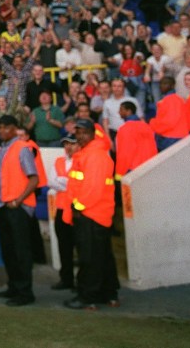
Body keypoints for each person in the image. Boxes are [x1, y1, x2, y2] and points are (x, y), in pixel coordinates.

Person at [63, 118, 119, 310]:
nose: (79, 136)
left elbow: (91, 188)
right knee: (102, 256)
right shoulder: (91, 153)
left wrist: (77, 207)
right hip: (97, 213)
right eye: (77, 132)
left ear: (92, 134)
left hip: (91, 214)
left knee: (89, 258)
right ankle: (108, 293)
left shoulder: (94, 155)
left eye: (83, 132)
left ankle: (88, 296)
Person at [0, 115, 44, 306]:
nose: (1, 131)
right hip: (5, 206)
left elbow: (34, 178)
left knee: (21, 251)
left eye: (5, 127)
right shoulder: (4, 149)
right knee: (9, 250)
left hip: (17, 207)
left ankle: (25, 292)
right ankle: (14, 286)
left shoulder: (22, 148)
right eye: (0, 128)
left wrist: (18, 200)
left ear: (14, 128)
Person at [48, 135, 79, 292]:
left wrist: (63, 181)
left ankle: (81, 281)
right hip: (61, 208)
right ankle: (66, 279)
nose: (68, 147)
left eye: (72, 144)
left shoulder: (81, 161)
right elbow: (51, 181)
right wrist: (68, 182)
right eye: (66, 144)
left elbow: (79, 184)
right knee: (64, 246)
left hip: (77, 209)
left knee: (80, 246)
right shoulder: (59, 161)